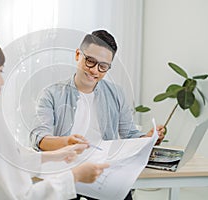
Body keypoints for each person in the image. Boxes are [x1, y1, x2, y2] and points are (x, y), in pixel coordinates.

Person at [0, 33, 110, 200]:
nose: (2, 80)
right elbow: (23, 197)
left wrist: (56, 155)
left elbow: (1, 160)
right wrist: (75, 176)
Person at [30, 30, 165, 200]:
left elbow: (129, 135)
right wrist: (67, 142)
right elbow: (39, 138)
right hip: (71, 173)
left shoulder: (116, 93)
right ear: (78, 55)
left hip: (105, 173)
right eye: (90, 61)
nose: (95, 71)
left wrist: (148, 137)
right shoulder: (51, 94)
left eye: (103, 66)